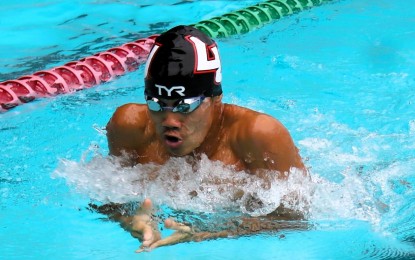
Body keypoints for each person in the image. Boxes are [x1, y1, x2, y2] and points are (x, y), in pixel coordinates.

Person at [104, 25, 306, 252]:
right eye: (156, 104)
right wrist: (130, 220)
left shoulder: (258, 136)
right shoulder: (130, 126)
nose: (169, 120)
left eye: (184, 106)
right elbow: (105, 199)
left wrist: (209, 230)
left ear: (215, 98)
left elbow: (296, 220)